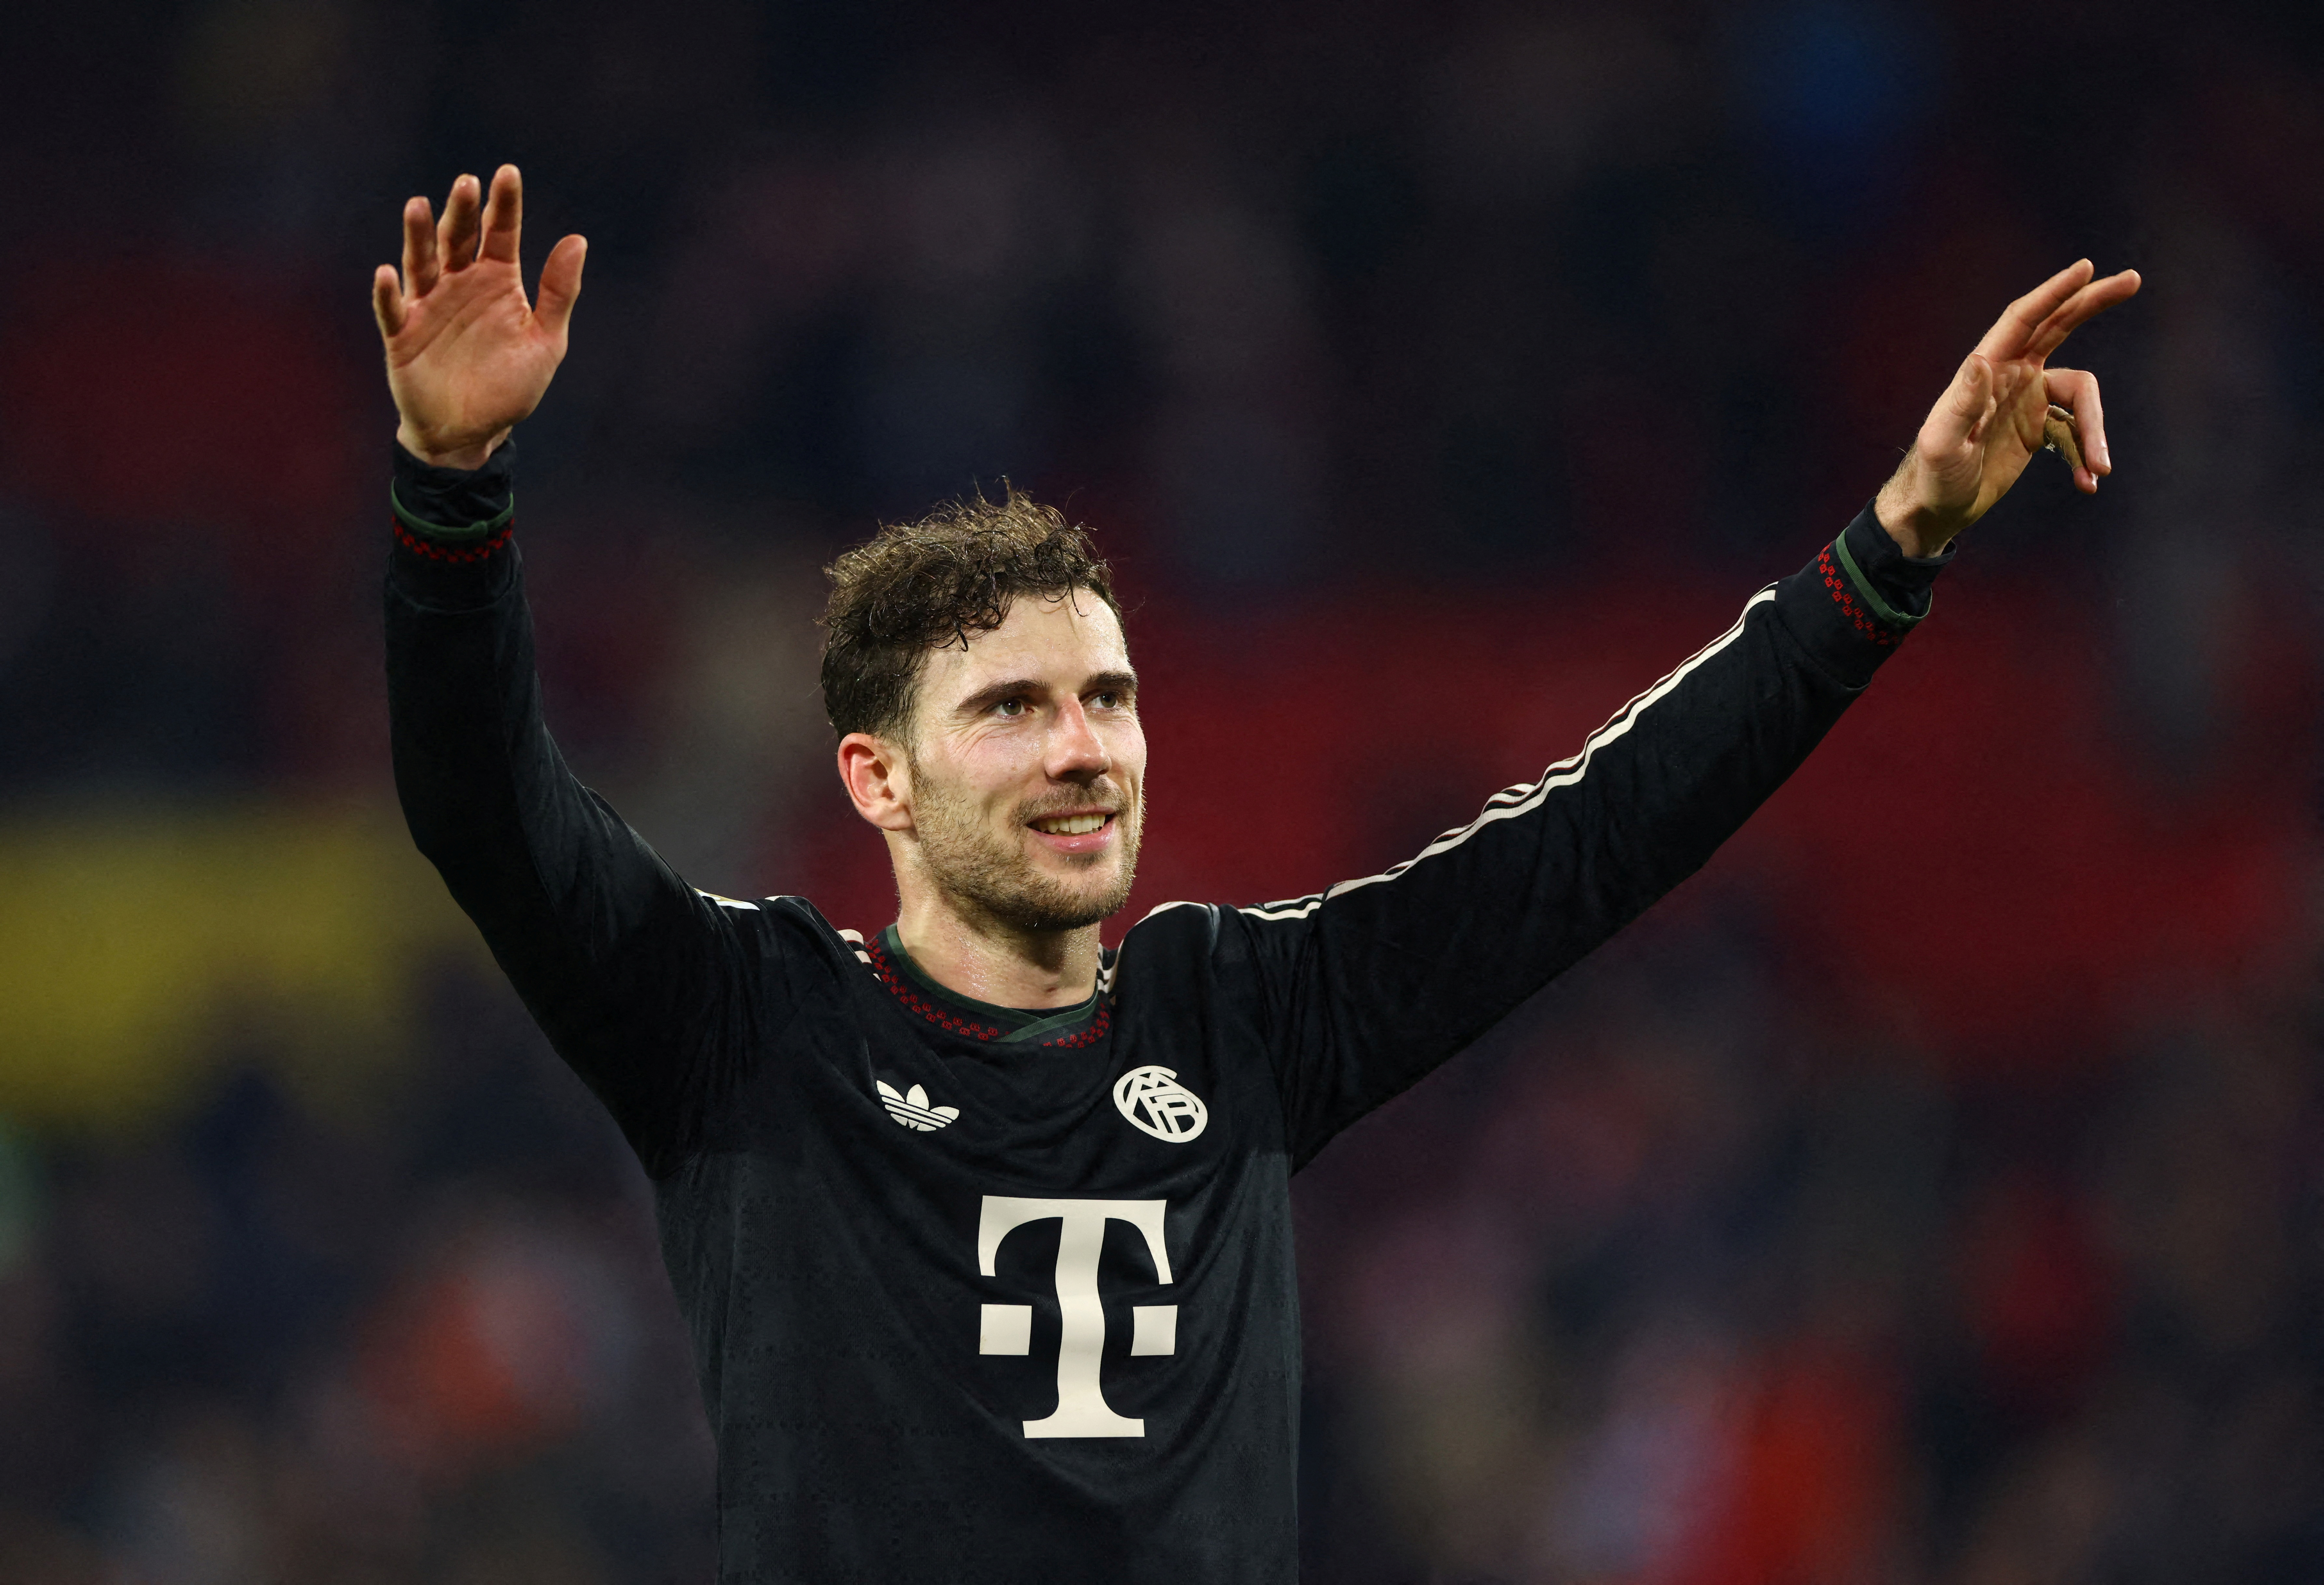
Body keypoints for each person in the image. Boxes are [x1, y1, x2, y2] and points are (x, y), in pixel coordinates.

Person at [373, 164, 2138, 1583]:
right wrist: (453, 490)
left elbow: (1595, 839)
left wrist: (1892, 547)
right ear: (879, 784)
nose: (1085, 747)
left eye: (1108, 698)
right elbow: (487, 814)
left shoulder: (1239, 1012)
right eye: (1012, 710)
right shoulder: (745, 1024)